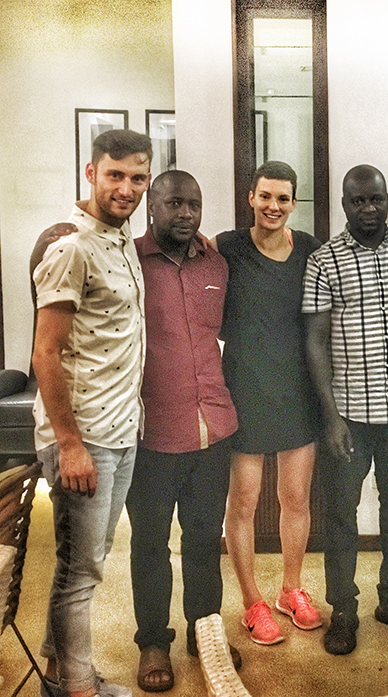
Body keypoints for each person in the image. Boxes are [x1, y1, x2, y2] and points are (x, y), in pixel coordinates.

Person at [31, 129, 151, 697]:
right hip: (83, 434)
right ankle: (80, 687)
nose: (126, 188)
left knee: (85, 557)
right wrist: (69, 443)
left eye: (137, 178)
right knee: (83, 570)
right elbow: (44, 352)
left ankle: (59, 672)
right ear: (91, 173)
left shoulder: (121, 241)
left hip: (121, 426)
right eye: (115, 175)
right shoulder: (70, 247)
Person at [303, 164, 388, 656]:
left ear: (387, 199)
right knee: (341, 517)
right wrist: (331, 417)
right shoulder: (324, 261)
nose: (368, 209)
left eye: (376, 199)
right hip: (350, 417)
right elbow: (314, 342)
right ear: (344, 205)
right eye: (358, 201)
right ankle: (343, 609)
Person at [128, 171, 239, 691]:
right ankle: (153, 639)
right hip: (151, 433)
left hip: (213, 429)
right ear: (152, 207)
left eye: (193, 204)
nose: (186, 213)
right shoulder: (129, 261)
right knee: (150, 542)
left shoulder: (217, 262)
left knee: (202, 538)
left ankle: (205, 628)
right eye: (174, 203)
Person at [214, 161, 323, 647]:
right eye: (265, 197)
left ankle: (291, 589)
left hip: (298, 389)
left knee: (295, 498)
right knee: (244, 501)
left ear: (294, 203)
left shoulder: (313, 250)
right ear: (250, 199)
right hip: (243, 388)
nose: (273, 206)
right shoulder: (227, 246)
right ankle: (251, 601)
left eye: (283, 198)